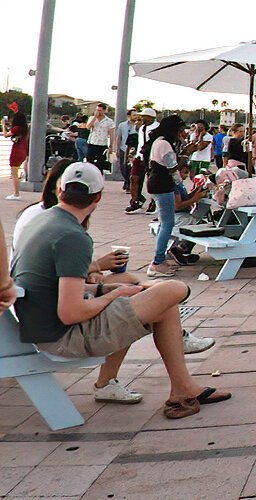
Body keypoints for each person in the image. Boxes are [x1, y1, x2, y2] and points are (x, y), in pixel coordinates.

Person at [12, 163, 231, 419]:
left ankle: (178, 387)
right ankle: (182, 386)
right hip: (62, 337)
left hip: (38, 323)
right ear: (98, 197)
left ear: (60, 190)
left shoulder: (42, 220)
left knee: (139, 288)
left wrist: (109, 287)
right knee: (172, 290)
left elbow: (54, 287)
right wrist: (113, 294)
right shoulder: (72, 236)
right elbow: (71, 312)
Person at [141, 116, 186, 278]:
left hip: (155, 183)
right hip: (162, 185)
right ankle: (157, 262)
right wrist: (181, 184)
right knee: (168, 223)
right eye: (180, 130)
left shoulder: (158, 141)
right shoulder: (164, 144)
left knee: (163, 223)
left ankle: (161, 260)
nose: (182, 133)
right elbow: (173, 168)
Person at [4, 113, 27, 200]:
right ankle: (16, 193)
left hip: (17, 151)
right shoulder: (24, 129)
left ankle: (16, 193)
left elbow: (6, 135)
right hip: (23, 151)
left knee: (14, 174)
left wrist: (3, 125)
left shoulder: (16, 128)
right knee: (15, 173)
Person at [86, 103, 115, 171]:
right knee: (89, 161)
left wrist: (111, 146)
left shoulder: (109, 121)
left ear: (104, 111)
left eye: (100, 110)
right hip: (92, 143)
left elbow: (111, 134)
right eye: (97, 110)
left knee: (101, 163)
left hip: (102, 144)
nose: (98, 112)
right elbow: (88, 127)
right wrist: (94, 117)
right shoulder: (92, 118)